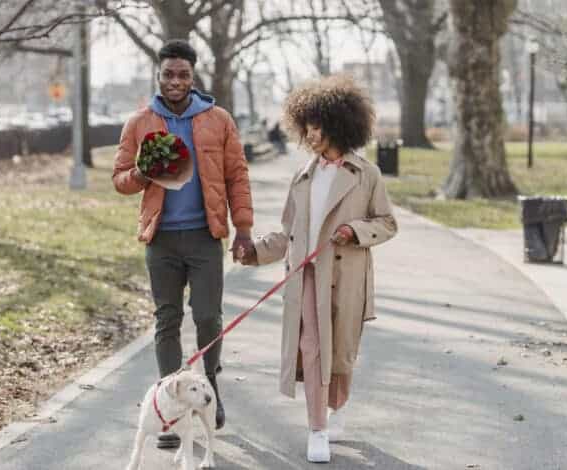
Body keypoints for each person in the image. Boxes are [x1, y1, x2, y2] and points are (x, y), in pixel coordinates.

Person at [238, 74, 398, 463]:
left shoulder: (367, 175)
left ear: (339, 125)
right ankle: (317, 429)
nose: (310, 135)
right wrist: (254, 252)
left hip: (345, 277)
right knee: (311, 349)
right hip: (306, 277)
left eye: (317, 127)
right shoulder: (303, 176)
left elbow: (387, 223)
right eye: (306, 128)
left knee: (340, 353)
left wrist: (354, 230)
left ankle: (337, 406)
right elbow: (288, 233)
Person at [112, 39, 254, 448]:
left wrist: (242, 228)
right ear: (159, 76)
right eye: (169, 74)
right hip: (161, 240)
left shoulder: (218, 119)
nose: (175, 81)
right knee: (167, 320)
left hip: (205, 237)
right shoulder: (140, 122)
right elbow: (120, 179)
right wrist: (142, 172)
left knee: (208, 317)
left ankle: (208, 390)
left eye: (183, 75)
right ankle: (170, 414)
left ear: (193, 77)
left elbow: (237, 176)